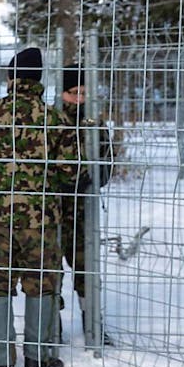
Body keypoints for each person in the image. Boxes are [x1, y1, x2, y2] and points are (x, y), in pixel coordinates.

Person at [0, 47, 80, 367]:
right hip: (43, 223)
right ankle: (38, 356)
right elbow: (70, 173)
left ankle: (1, 360)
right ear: (39, 79)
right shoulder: (55, 120)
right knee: (42, 284)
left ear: (10, 78)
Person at [58, 64, 114, 346]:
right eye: (74, 93)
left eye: (84, 93)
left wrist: (93, 177)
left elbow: (107, 163)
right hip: (52, 212)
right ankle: (49, 329)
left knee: (86, 271)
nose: (79, 99)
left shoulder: (94, 123)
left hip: (84, 213)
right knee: (49, 273)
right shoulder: (51, 121)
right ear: (62, 93)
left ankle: (93, 327)